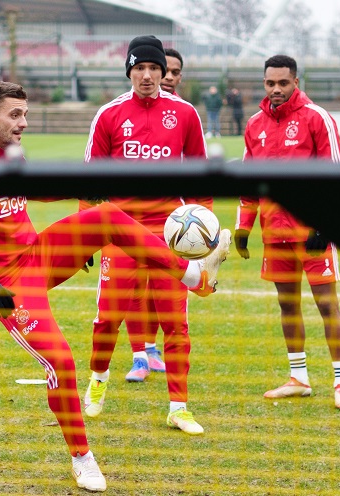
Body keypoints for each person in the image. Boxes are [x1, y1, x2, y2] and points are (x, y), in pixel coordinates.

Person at [0, 81, 229, 492]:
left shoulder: (11, 154)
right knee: (61, 362)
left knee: (108, 215)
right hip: (6, 285)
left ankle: (195, 276)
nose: (24, 123)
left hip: (39, 255)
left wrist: (77, 191)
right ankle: (82, 458)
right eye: (15, 115)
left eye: (26, 114)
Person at [82, 35, 227, 436]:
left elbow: (200, 177)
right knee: (107, 319)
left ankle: (179, 408)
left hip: (170, 236)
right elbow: (89, 181)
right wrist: (84, 234)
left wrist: (208, 236)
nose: (147, 76)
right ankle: (98, 380)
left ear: (164, 72)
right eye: (139, 68)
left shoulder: (185, 114)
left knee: (176, 325)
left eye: (154, 68)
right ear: (129, 71)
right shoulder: (109, 115)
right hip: (119, 233)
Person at [234, 54, 340, 410]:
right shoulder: (254, 124)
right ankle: (298, 378)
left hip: (312, 234)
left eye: (283, 83)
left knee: (327, 304)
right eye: (270, 83)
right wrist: (244, 226)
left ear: (296, 82)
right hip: (275, 233)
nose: (276, 89)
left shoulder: (317, 118)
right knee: (287, 305)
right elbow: (249, 183)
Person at [124, 45, 186, 379]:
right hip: (129, 220)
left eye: (173, 72)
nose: (168, 77)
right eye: (141, 68)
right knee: (136, 287)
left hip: (171, 221)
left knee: (164, 289)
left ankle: (153, 348)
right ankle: (143, 352)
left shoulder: (184, 114)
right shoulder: (119, 111)